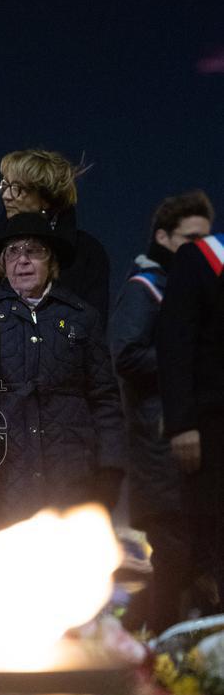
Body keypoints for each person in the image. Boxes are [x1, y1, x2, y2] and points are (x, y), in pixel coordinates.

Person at [110, 191, 214, 630]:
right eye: (190, 240)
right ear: (163, 238)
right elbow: (127, 354)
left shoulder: (181, 289)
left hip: (181, 456)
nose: (200, 250)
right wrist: (192, 360)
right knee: (174, 561)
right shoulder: (145, 288)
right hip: (158, 453)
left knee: (191, 560)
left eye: (206, 240)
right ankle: (139, 643)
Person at [0, 212, 124, 528]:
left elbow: (105, 398)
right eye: (12, 252)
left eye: (33, 251)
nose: (22, 261)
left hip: (71, 469)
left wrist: (111, 467)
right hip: (7, 471)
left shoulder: (80, 317)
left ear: (51, 261)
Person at [157, 225, 224, 617]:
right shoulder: (201, 259)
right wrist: (182, 423)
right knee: (209, 544)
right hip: (209, 428)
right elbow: (174, 341)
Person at [0, 149, 110, 326]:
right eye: (4, 185)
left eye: (17, 189)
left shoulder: (87, 253)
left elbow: (95, 330)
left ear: (45, 199)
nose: (6, 196)